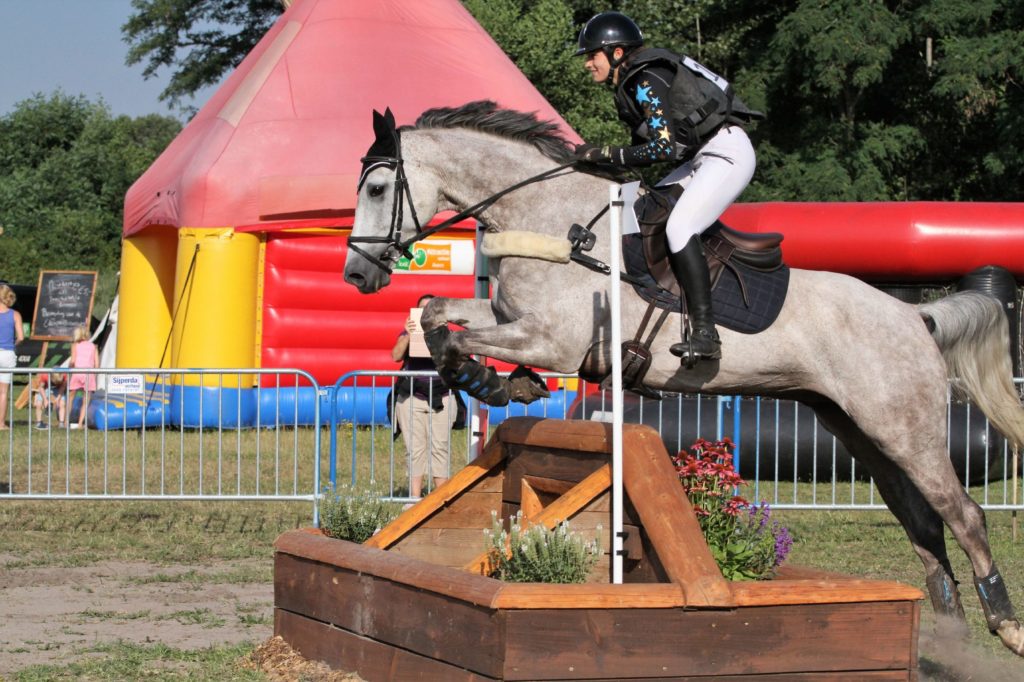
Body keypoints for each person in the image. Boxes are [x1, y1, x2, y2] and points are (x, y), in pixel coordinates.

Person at [573, 11, 762, 365]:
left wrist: (606, 154)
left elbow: (661, 148)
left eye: (591, 54)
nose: (587, 64)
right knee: (635, 214)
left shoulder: (645, 77)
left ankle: (706, 334)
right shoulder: (633, 81)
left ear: (616, 53)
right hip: (699, 158)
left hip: (727, 152)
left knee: (679, 226)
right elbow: (647, 155)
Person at [391, 294, 456, 500]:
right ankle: (414, 500)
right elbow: (395, 355)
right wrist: (410, 335)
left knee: (440, 447)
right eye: (422, 309)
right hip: (412, 397)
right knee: (415, 449)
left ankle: (441, 500)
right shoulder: (407, 331)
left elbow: (458, 360)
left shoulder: (449, 334)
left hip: (442, 396)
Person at [0, 284, 25, 431]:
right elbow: (21, 337)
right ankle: (1, 423)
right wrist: (13, 344)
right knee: (3, 392)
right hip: (8, 353)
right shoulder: (15, 314)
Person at [64, 325, 97, 429]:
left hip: (77, 371)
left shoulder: (75, 345)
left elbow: (73, 361)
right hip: (89, 373)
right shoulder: (93, 346)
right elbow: (97, 363)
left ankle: (65, 421)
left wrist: (69, 367)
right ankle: (80, 423)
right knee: (86, 400)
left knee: (70, 397)